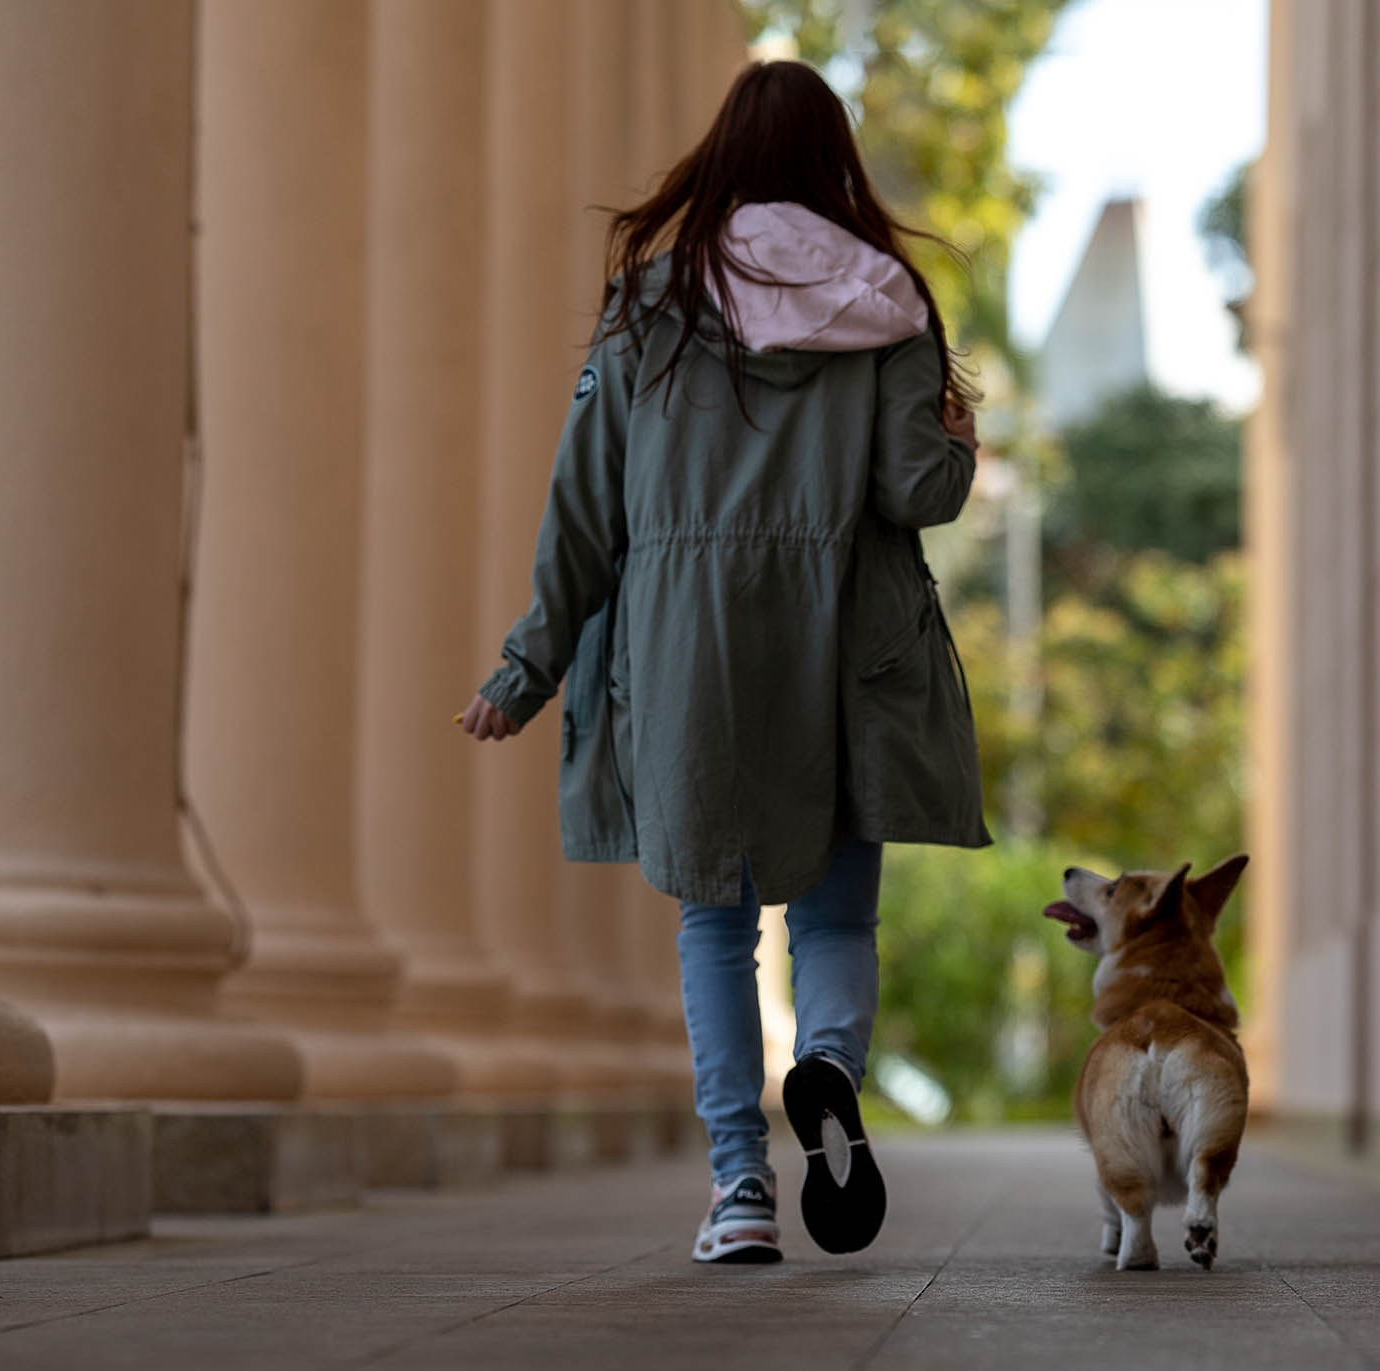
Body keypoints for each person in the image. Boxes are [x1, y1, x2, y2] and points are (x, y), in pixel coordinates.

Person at [460, 60, 991, 1265]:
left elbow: (585, 507)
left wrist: (525, 669)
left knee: (715, 922)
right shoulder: (889, 299)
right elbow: (914, 490)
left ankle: (740, 1189)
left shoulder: (651, 304)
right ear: (835, 163)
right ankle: (829, 1067)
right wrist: (958, 444)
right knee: (836, 912)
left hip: (689, 641)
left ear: (726, 158)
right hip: (845, 636)